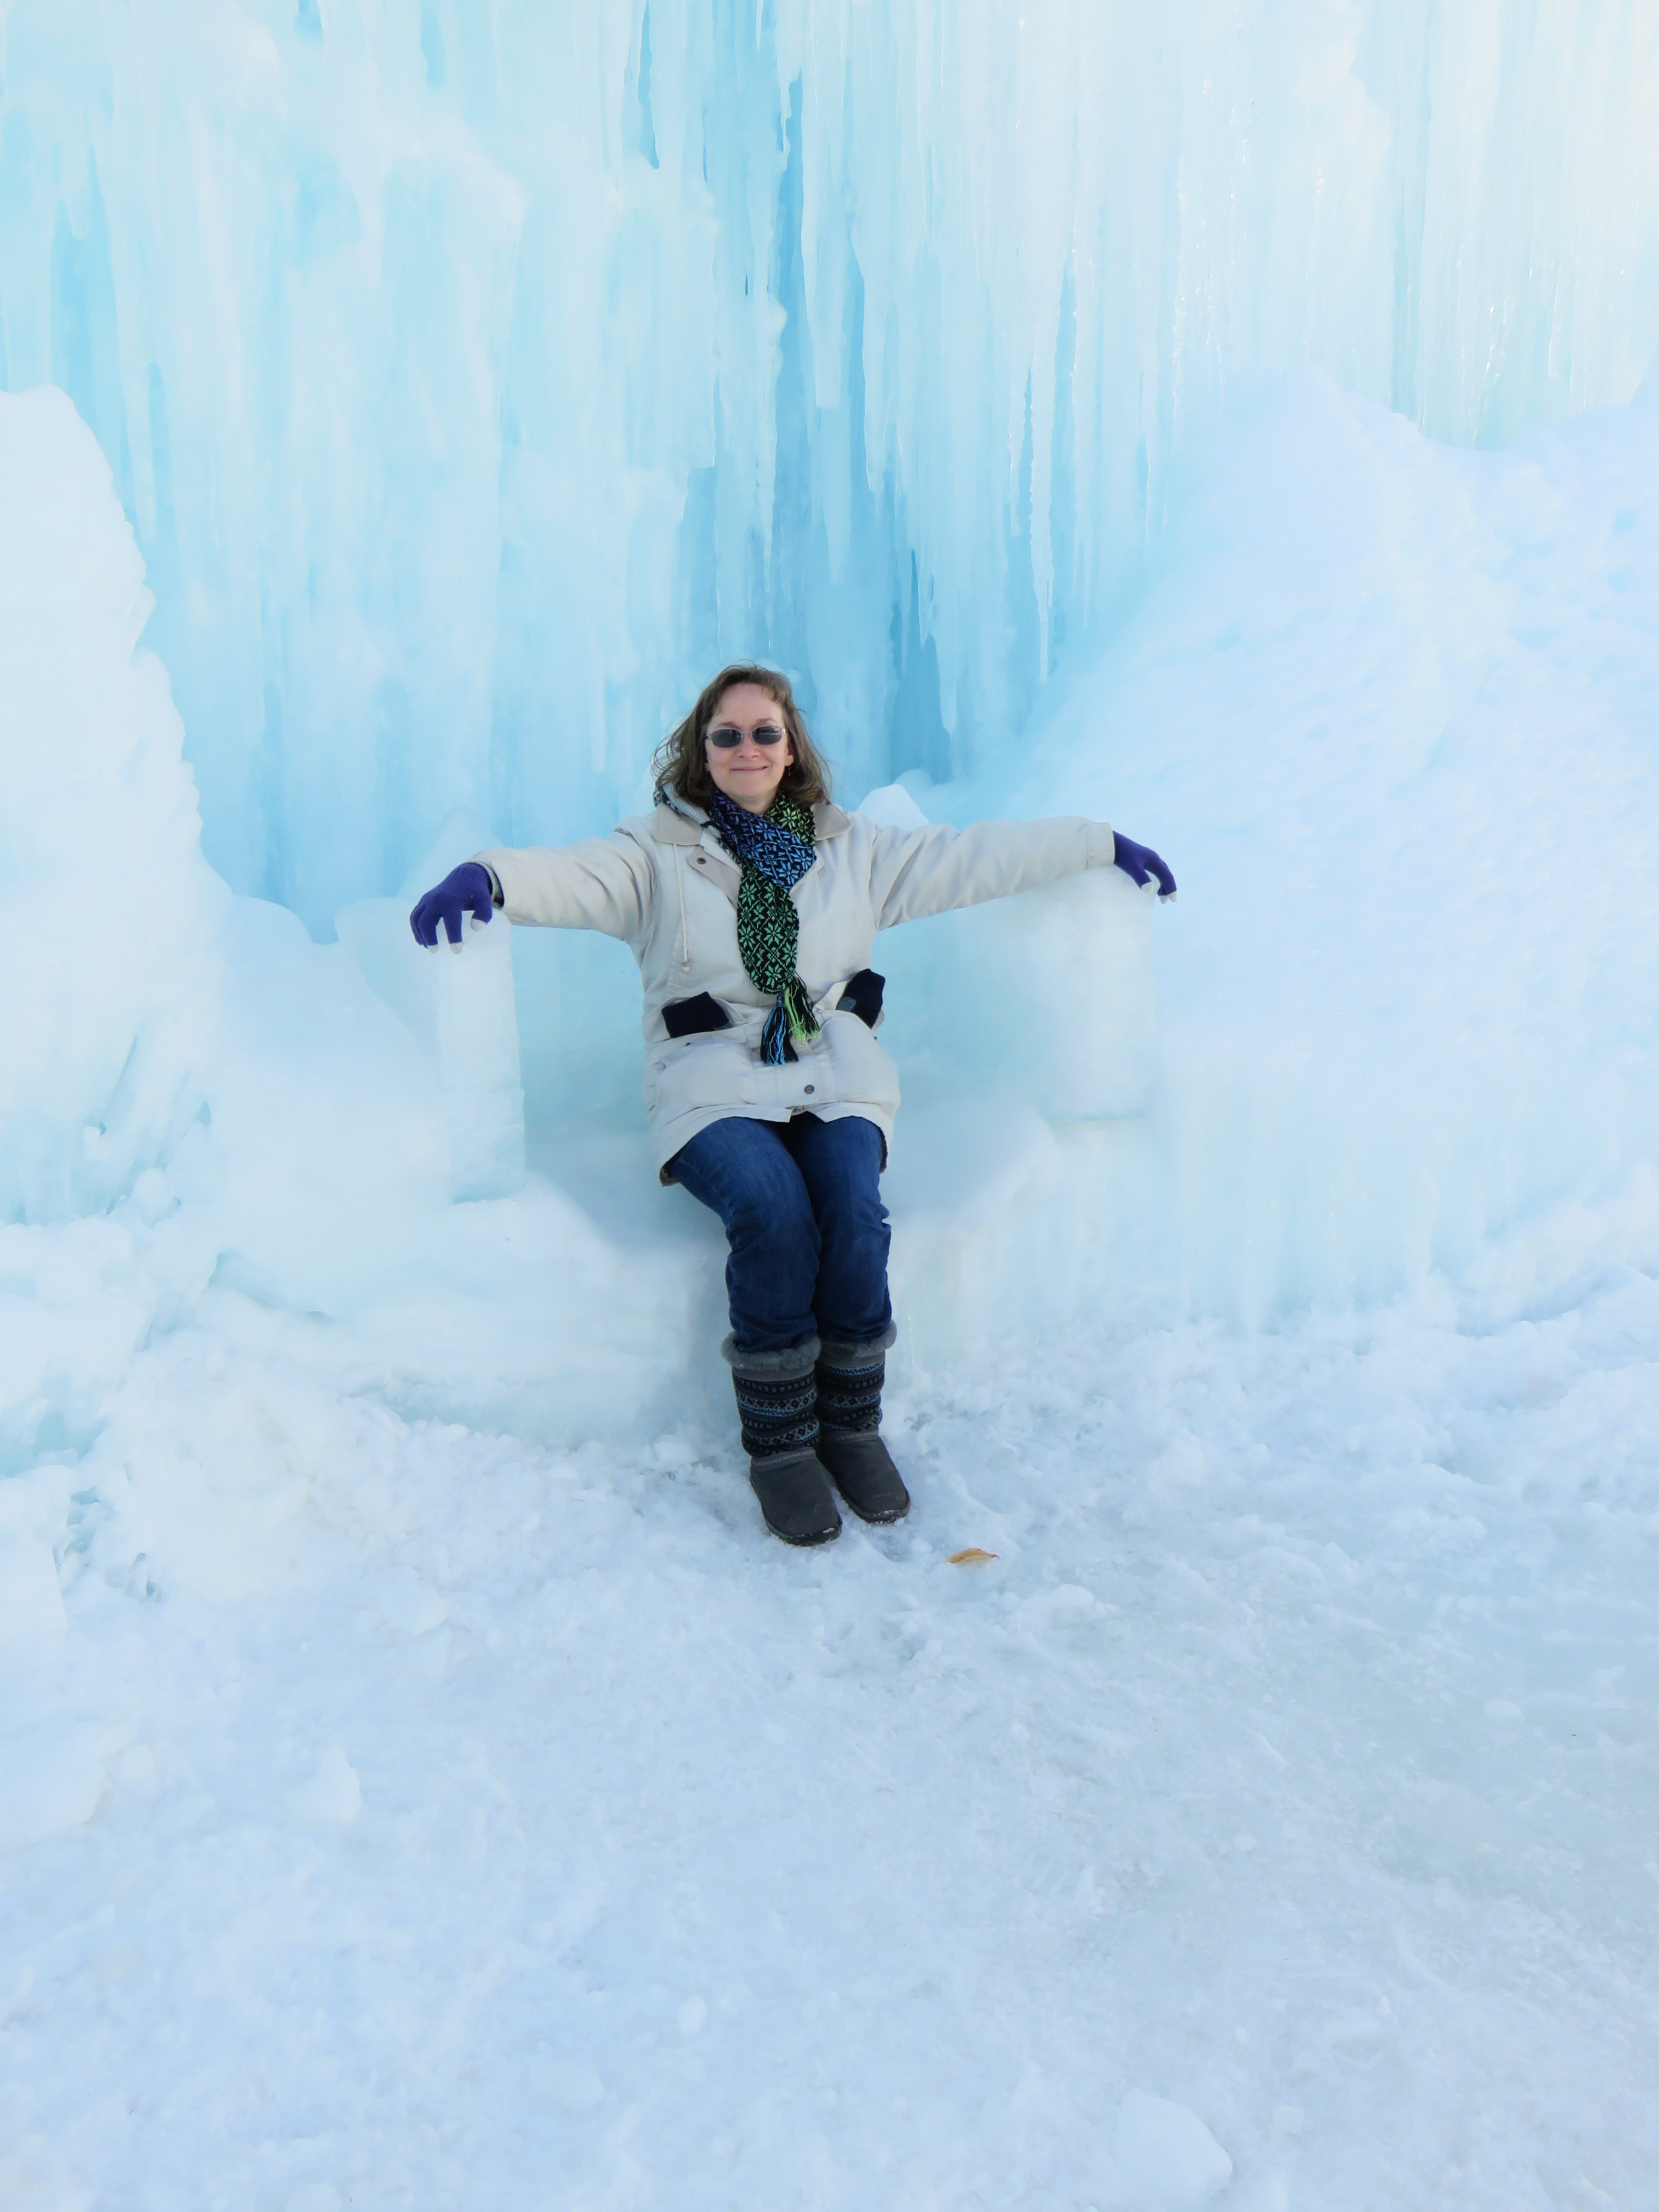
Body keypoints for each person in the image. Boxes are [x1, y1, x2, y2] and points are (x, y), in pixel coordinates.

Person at [410, 663, 1175, 1548]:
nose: (748, 748)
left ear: (791, 747)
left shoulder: (857, 850)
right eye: (727, 735)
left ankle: (851, 1427)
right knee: (772, 1211)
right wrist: (487, 876)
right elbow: (569, 875)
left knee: (852, 1208)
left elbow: (976, 858)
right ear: (701, 751)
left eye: (764, 732)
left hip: (834, 1068)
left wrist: (1095, 843)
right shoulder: (653, 853)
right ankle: (780, 1446)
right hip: (707, 1075)